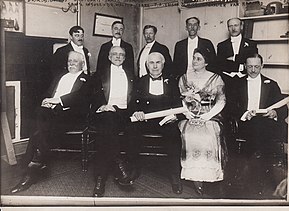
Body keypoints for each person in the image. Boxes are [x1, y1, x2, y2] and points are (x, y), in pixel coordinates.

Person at [10, 51, 91, 194]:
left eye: (75, 61)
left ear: (82, 64)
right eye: (69, 61)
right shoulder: (60, 76)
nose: (71, 63)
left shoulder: (87, 79)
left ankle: (29, 166)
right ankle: (36, 164)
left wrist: (58, 101)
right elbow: (48, 93)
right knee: (41, 118)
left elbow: (80, 98)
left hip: (71, 115)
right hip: (51, 114)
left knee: (39, 127)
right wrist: (45, 101)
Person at [233, 53, 288, 196]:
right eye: (250, 66)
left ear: (262, 66)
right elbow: (231, 107)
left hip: (266, 124)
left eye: (256, 67)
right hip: (246, 123)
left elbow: (283, 109)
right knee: (260, 135)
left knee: (263, 132)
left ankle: (256, 177)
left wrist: (275, 113)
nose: (253, 70)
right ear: (245, 66)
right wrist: (245, 113)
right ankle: (258, 178)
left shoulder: (271, 84)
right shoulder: (237, 84)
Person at [128, 52, 183, 194]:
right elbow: (132, 102)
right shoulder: (140, 81)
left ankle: (174, 174)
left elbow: (178, 104)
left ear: (163, 64)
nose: (155, 66)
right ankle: (133, 168)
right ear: (147, 65)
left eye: (158, 62)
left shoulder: (172, 82)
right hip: (144, 119)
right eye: (151, 63)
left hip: (165, 120)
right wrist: (136, 111)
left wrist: (174, 115)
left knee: (174, 134)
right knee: (132, 131)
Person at [178, 47, 227, 196]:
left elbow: (222, 101)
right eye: (193, 58)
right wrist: (187, 113)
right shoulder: (184, 78)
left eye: (198, 58)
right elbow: (181, 100)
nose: (194, 61)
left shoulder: (216, 78)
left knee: (207, 135)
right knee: (190, 135)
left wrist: (208, 116)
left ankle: (208, 176)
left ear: (206, 62)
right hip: (190, 115)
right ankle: (194, 178)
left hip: (210, 115)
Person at [91, 46, 135, 197]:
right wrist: (101, 106)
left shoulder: (130, 74)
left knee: (107, 134)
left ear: (125, 57)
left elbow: (135, 97)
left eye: (121, 54)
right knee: (108, 125)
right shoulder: (99, 74)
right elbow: (92, 94)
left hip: (125, 113)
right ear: (109, 57)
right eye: (114, 54)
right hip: (106, 111)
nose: (118, 56)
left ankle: (101, 178)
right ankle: (115, 167)